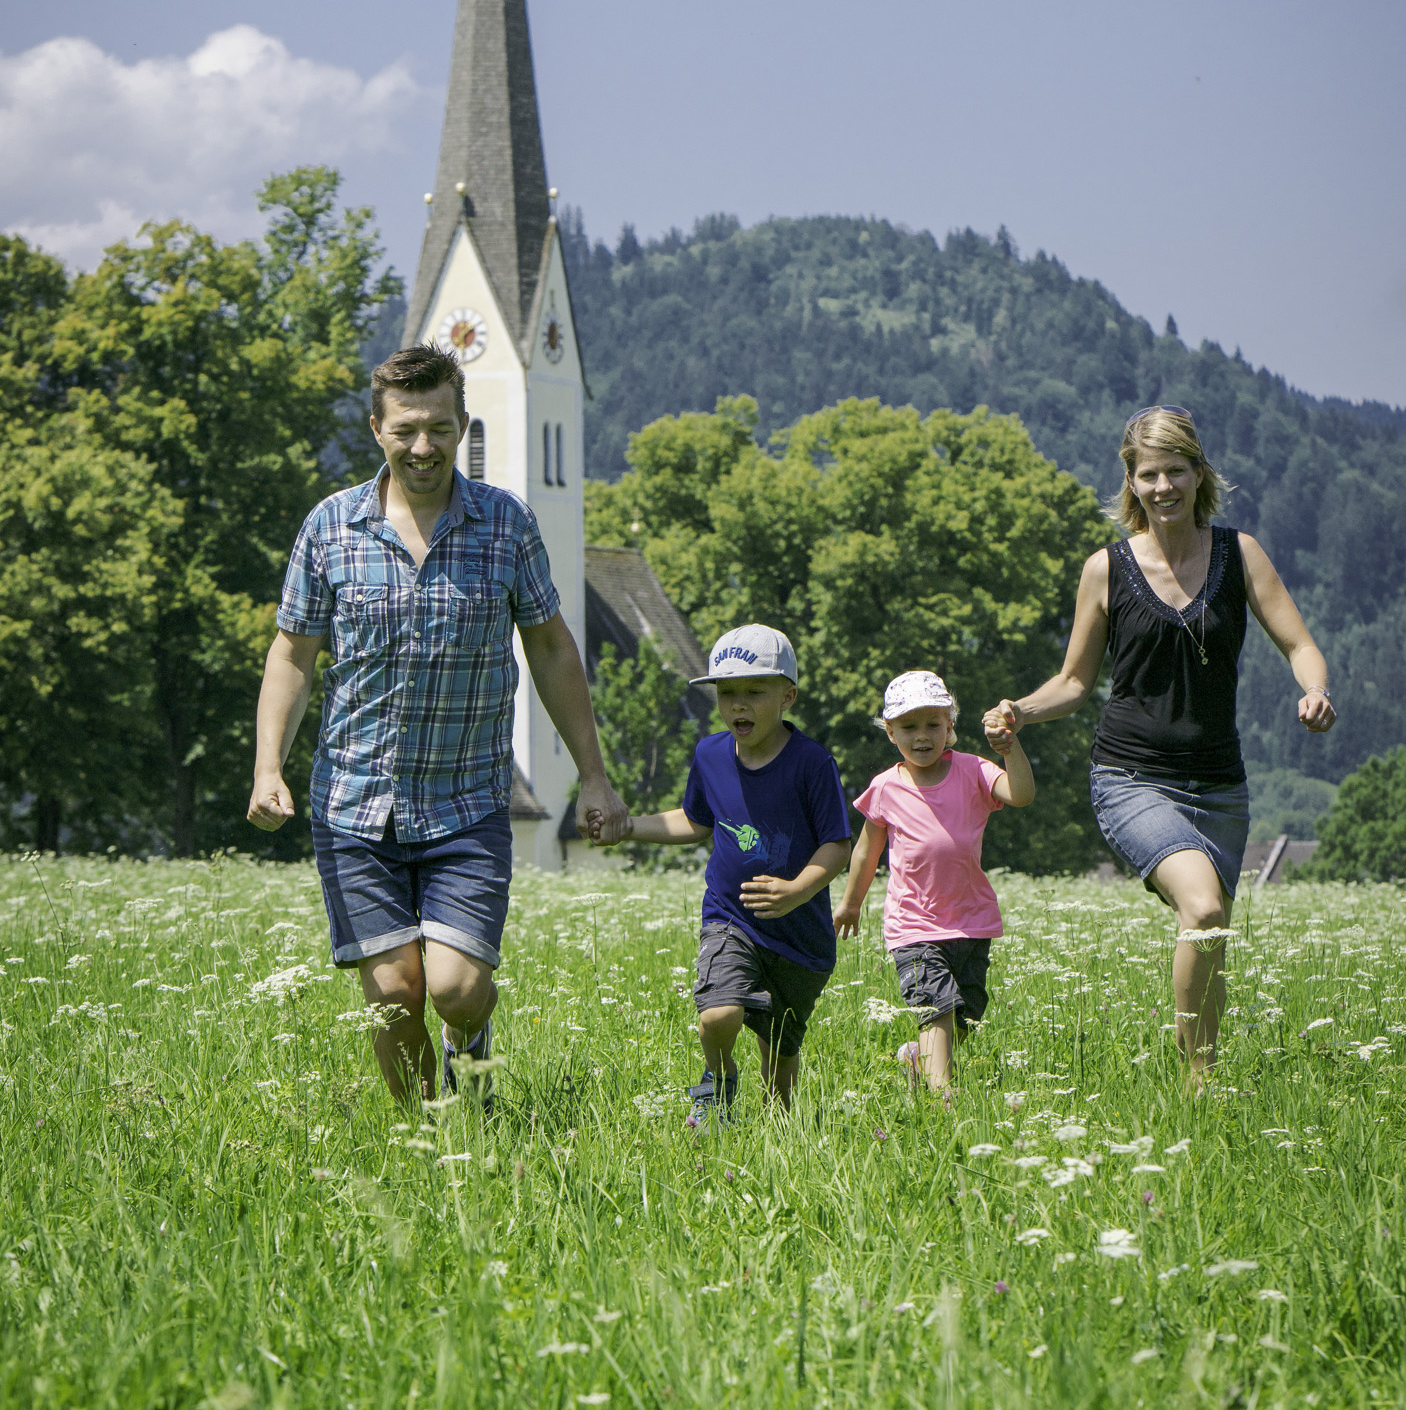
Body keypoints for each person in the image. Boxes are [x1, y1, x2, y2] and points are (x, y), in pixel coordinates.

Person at [247, 345, 624, 1104]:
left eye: (441, 429)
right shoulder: (331, 528)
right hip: (355, 800)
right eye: (407, 430)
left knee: (451, 989)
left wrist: (593, 771)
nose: (425, 447)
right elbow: (293, 654)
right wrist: (268, 767)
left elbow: (551, 645)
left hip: (468, 800)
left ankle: (471, 1048)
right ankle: (437, 1141)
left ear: (462, 426)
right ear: (378, 429)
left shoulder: (505, 525)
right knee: (392, 991)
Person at [982, 404, 1336, 1084]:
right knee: (1202, 907)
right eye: (1150, 474)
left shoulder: (1241, 554)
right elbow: (1074, 681)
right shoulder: (1106, 569)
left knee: (1211, 936)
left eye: (1177, 470)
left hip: (1220, 786)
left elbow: (1300, 644)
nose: (1164, 486)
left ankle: (1205, 1076)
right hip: (1131, 777)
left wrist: (1315, 691)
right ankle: (1198, 1083)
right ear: (1131, 482)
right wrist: (1018, 712)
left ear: (1201, 475)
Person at [605, 624, 851, 1125]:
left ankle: (778, 1132)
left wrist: (796, 891)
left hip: (799, 937)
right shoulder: (710, 755)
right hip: (730, 917)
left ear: (787, 695)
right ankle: (717, 1082)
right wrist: (629, 826)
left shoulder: (812, 763)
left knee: (779, 1054)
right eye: (727, 693)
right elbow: (694, 821)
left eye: (754, 693)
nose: (738, 705)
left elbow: (838, 845)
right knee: (718, 1013)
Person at [835, 670, 1034, 1097]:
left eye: (932, 724)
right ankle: (944, 1102)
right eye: (909, 727)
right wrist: (851, 904)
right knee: (936, 1010)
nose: (921, 736)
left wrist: (1010, 748)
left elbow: (1021, 795)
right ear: (891, 732)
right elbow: (867, 852)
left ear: (950, 727)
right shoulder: (886, 787)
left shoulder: (974, 771)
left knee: (967, 1017)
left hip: (972, 921)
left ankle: (916, 1057)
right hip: (915, 926)